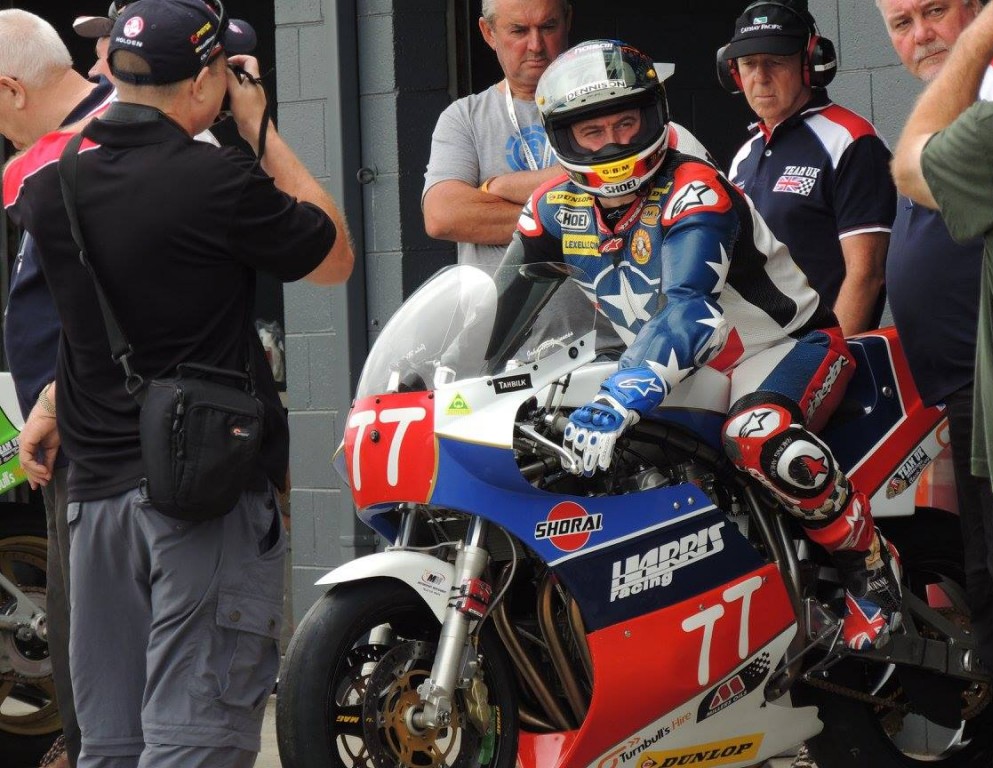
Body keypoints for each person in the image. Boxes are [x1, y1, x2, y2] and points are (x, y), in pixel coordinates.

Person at [3, 1, 353, 767]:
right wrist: (259, 128)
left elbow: (97, 321)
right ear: (204, 83)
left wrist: (53, 401)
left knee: (112, 745)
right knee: (194, 741)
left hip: (95, 502)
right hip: (202, 496)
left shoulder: (49, 188)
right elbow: (333, 256)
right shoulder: (218, 182)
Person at [510, 39, 901, 651]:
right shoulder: (549, 211)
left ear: (653, 114)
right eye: (592, 131)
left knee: (758, 434)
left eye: (625, 122)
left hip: (779, 345)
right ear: (563, 136)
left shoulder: (696, 190)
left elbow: (691, 311)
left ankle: (870, 567)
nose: (612, 143)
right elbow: (508, 307)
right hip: (678, 362)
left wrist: (619, 398)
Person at [878, 0, 993, 764]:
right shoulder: (963, 94)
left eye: (934, 11)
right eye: (899, 23)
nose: (920, 35)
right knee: (987, 578)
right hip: (967, 390)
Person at [422, 0, 711, 359]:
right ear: (488, 32)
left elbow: (647, 180)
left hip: (614, 350)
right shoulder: (464, 117)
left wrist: (500, 188)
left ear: (568, 20)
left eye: (547, 26)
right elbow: (444, 216)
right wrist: (584, 211)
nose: (535, 45)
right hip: (502, 357)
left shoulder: (611, 102)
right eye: (518, 31)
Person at [0, 10, 116, 767]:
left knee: (96, 636)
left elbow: (115, 296)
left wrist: (56, 400)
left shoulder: (100, 140)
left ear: (8, 89)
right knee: (80, 628)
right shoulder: (70, 140)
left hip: (97, 432)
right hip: (70, 427)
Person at [719, 0, 896, 336]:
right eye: (748, 64)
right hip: (755, 355)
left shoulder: (851, 141)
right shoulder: (744, 155)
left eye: (775, 61)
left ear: (809, 64)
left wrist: (829, 361)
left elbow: (867, 273)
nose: (760, 77)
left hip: (819, 356)